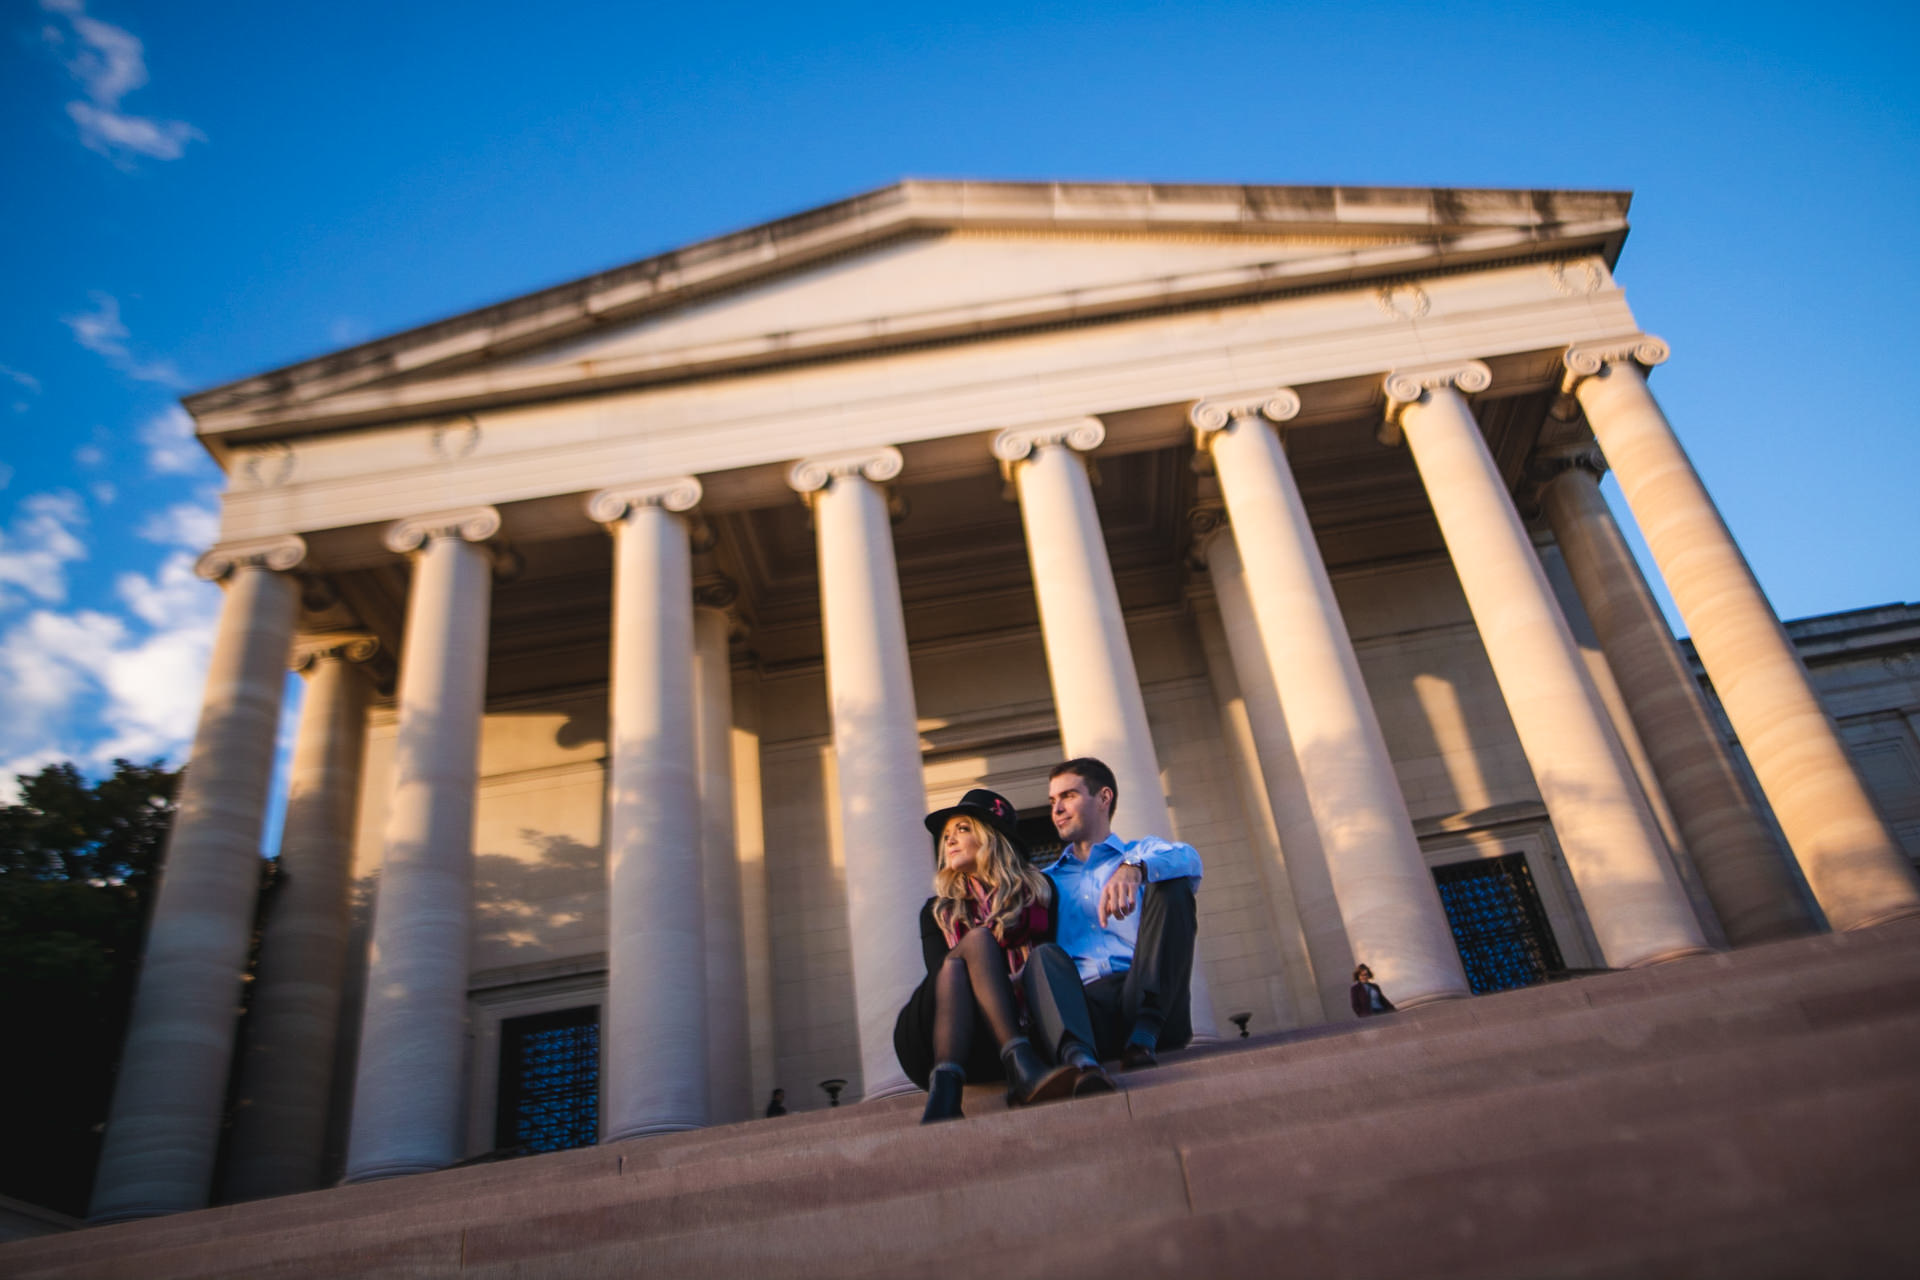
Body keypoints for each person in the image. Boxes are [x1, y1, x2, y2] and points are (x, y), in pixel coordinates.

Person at [892, 787, 1081, 1124]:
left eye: (962, 830)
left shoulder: (1040, 895)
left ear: (990, 838)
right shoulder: (936, 912)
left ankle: (946, 1097)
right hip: (940, 1036)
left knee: (1028, 956)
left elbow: (1049, 966)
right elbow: (943, 978)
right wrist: (994, 975)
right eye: (946, 835)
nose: (949, 840)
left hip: (1017, 1032)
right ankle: (1017, 1065)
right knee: (974, 946)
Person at [1022, 757, 1202, 1088]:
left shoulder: (1142, 852)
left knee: (1174, 886)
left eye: (1069, 796)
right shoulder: (1043, 882)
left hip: (1150, 1003)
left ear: (1104, 798)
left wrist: (1135, 868)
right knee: (1043, 956)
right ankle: (1080, 1062)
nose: (1057, 809)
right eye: (1053, 801)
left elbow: (1190, 858)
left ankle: (1144, 1035)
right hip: (1084, 1016)